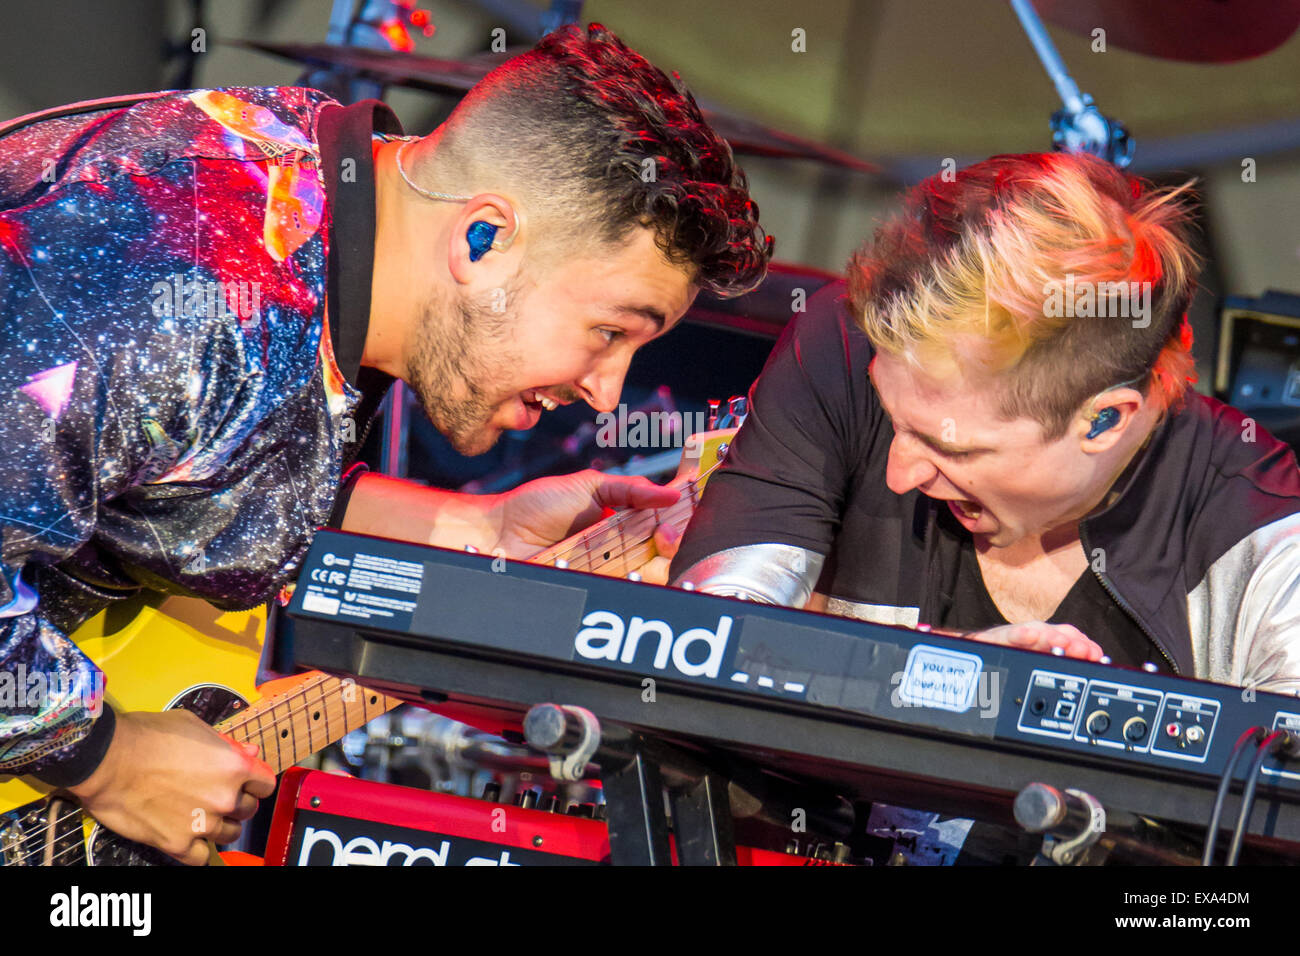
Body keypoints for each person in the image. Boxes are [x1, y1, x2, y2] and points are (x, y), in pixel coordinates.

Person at [0, 23, 771, 864]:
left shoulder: (310, 212)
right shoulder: (180, 276)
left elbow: (178, 458)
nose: (607, 389)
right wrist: (104, 759)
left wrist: (481, 531)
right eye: (610, 330)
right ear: (484, 239)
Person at [666, 151, 1300, 864]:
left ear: (1103, 421)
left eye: (953, 449)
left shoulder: (1266, 534)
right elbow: (695, 660)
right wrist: (937, 684)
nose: (900, 472)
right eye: (890, 416)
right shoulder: (842, 351)